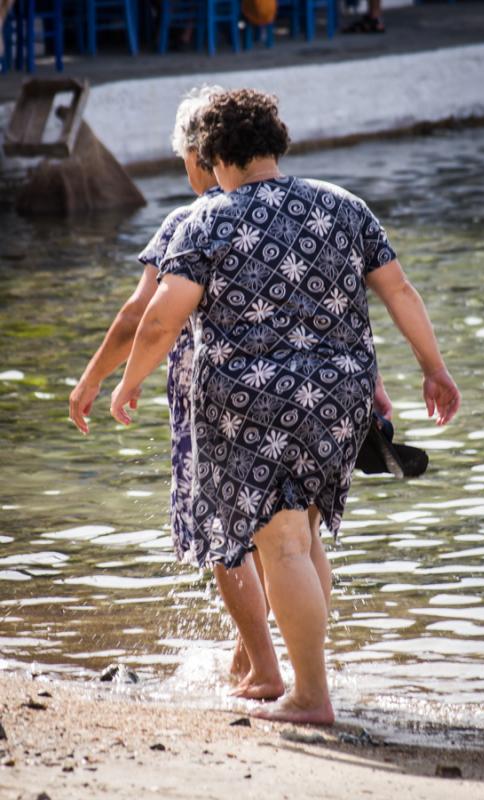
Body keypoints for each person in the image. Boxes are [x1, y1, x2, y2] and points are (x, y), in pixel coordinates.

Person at [110, 88, 460, 725]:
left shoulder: (206, 221)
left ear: (214, 154)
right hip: (339, 400)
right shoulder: (343, 206)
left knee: (285, 547)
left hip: (251, 406)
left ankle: (310, 696)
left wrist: (129, 381)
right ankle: (309, 679)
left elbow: (160, 321)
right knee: (300, 536)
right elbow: (399, 290)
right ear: (276, 143)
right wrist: (434, 370)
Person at [68, 86, 284, 702]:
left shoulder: (188, 222)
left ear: (200, 157)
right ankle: (254, 659)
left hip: (213, 403)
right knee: (276, 533)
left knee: (224, 535)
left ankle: (259, 667)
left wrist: (95, 380)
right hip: (292, 399)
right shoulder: (286, 208)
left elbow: (142, 316)